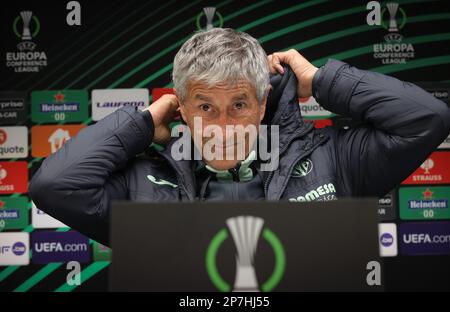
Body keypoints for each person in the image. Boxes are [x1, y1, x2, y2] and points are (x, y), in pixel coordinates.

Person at [29, 28, 450, 245]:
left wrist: (321, 80)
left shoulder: (331, 159)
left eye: (240, 106)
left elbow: (425, 119)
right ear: (182, 107)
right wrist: (141, 123)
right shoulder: (141, 183)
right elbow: (53, 187)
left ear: (263, 104)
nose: (223, 127)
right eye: (205, 107)